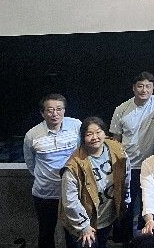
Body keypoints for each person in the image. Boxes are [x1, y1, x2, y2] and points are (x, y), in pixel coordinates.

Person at [109, 71, 154, 237]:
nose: (144, 90)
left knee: (147, 204)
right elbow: (115, 141)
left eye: (148, 86)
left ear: (153, 88)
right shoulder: (121, 109)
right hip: (128, 166)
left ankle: (145, 238)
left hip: (151, 165)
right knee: (125, 205)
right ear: (133, 88)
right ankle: (124, 240)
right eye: (140, 86)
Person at [60, 117, 130, 248]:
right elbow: (70, 201)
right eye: (89, 134)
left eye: (98, 132)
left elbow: (126, 176)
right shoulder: (74, 165)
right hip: (82, 223)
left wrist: (124, 201)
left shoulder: (116, 149)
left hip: (106, 217)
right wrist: (84, 226)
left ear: (104, 133)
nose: (95, 137)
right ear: (82, 138)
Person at [23, 93, 82, 248]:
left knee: (73, 233)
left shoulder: (76, 125)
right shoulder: (32, 135)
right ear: (42, 113)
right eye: (50, 110)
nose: (55, 113)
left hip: (71, 192)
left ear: (64, 110)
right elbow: (30, 163)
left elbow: (82, 152)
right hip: (45, 193)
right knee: (46, 232)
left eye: (59, 109)